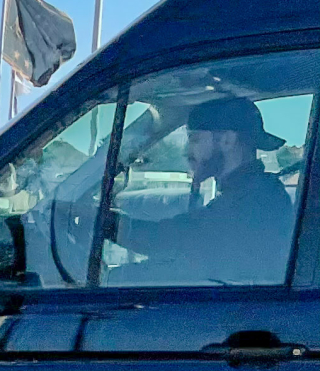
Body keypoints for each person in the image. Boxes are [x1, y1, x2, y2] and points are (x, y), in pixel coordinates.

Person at [106, 95, 295, 285]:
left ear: (227, 140)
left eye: (194, 139)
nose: (187, 151)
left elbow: (170, 239)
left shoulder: (254, 201)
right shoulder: (257, 191)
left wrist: (103, 224)